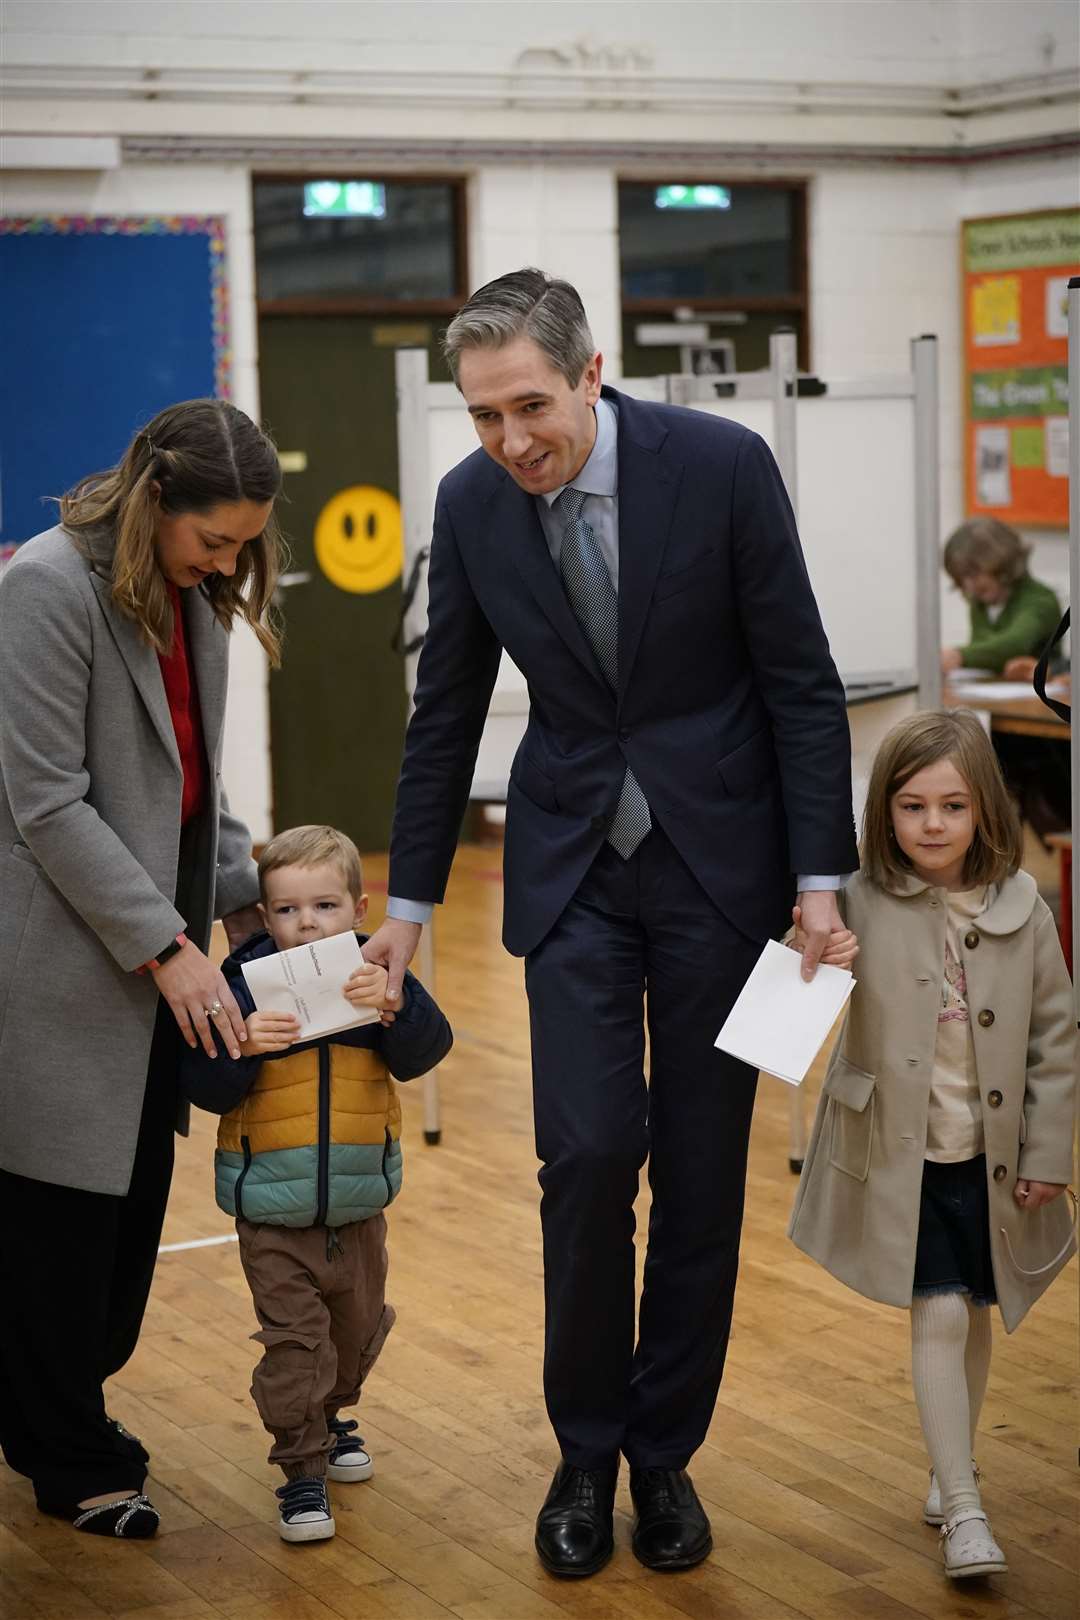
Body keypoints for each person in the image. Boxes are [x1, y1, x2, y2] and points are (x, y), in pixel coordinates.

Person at [363, 269, 858, 1576]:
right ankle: (584, 1449)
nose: (510, 441)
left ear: (592, 375)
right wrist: (405, 909)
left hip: (727, 872)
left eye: (531, 405)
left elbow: (801, 687)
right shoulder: (473, 504)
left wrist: (821, 885)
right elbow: (445, 712)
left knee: (703, 1178)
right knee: (585, 1162)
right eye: (483, 417)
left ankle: (663, 1457)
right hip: (574, 866)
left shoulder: (726, 467)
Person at [0, 399, 284, 1537]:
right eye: (215, 541)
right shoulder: (44, 588)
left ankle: (55, 1412)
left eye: (243, 548)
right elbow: (45, 802)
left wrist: (247, 893)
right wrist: (169, 946)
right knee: (58, 1235)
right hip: (64, 963)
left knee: (121, 1235)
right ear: (156, 499)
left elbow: (191, 785)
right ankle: (66, 1457)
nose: (229, 565)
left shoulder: (193, 601)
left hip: (156, 955)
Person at [788, 709, 1077, 1582]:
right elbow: (793, 1015)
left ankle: (950, 1470)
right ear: (885, 814)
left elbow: (1056, 1042)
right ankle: (963, 1505)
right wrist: (817, 955)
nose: (933, 825)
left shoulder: (1024, 909)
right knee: (943, 1308)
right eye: (912, 807)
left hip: (990, 1155)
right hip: (897, 1156)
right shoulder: (856, 901)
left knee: (975, 1311)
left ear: (985, 808)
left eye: (952, 806)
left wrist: (1048, 1155)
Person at [178, 824, 452, 1544]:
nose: (308, 924)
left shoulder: (374, 973)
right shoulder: (238, 985)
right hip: (271, 1212)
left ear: (360, 908)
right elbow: (204, 1088)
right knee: (296, 1345)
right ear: (264, 916)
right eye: (290, 910)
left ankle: (332, 1418)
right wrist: (239, 1045)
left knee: (355, 1333)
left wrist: (395, 1006)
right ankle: (300, 1470)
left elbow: (426, 1053)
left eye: (325, 907)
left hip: (359, 1208)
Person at [941, 518, 1060, 676]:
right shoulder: (979, 604)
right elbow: (985, 654)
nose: (968, 585)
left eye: (973, 574)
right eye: (961, 578)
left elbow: (1015, 643)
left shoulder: (1041, 600)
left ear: (1001, 561)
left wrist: (959, 655)